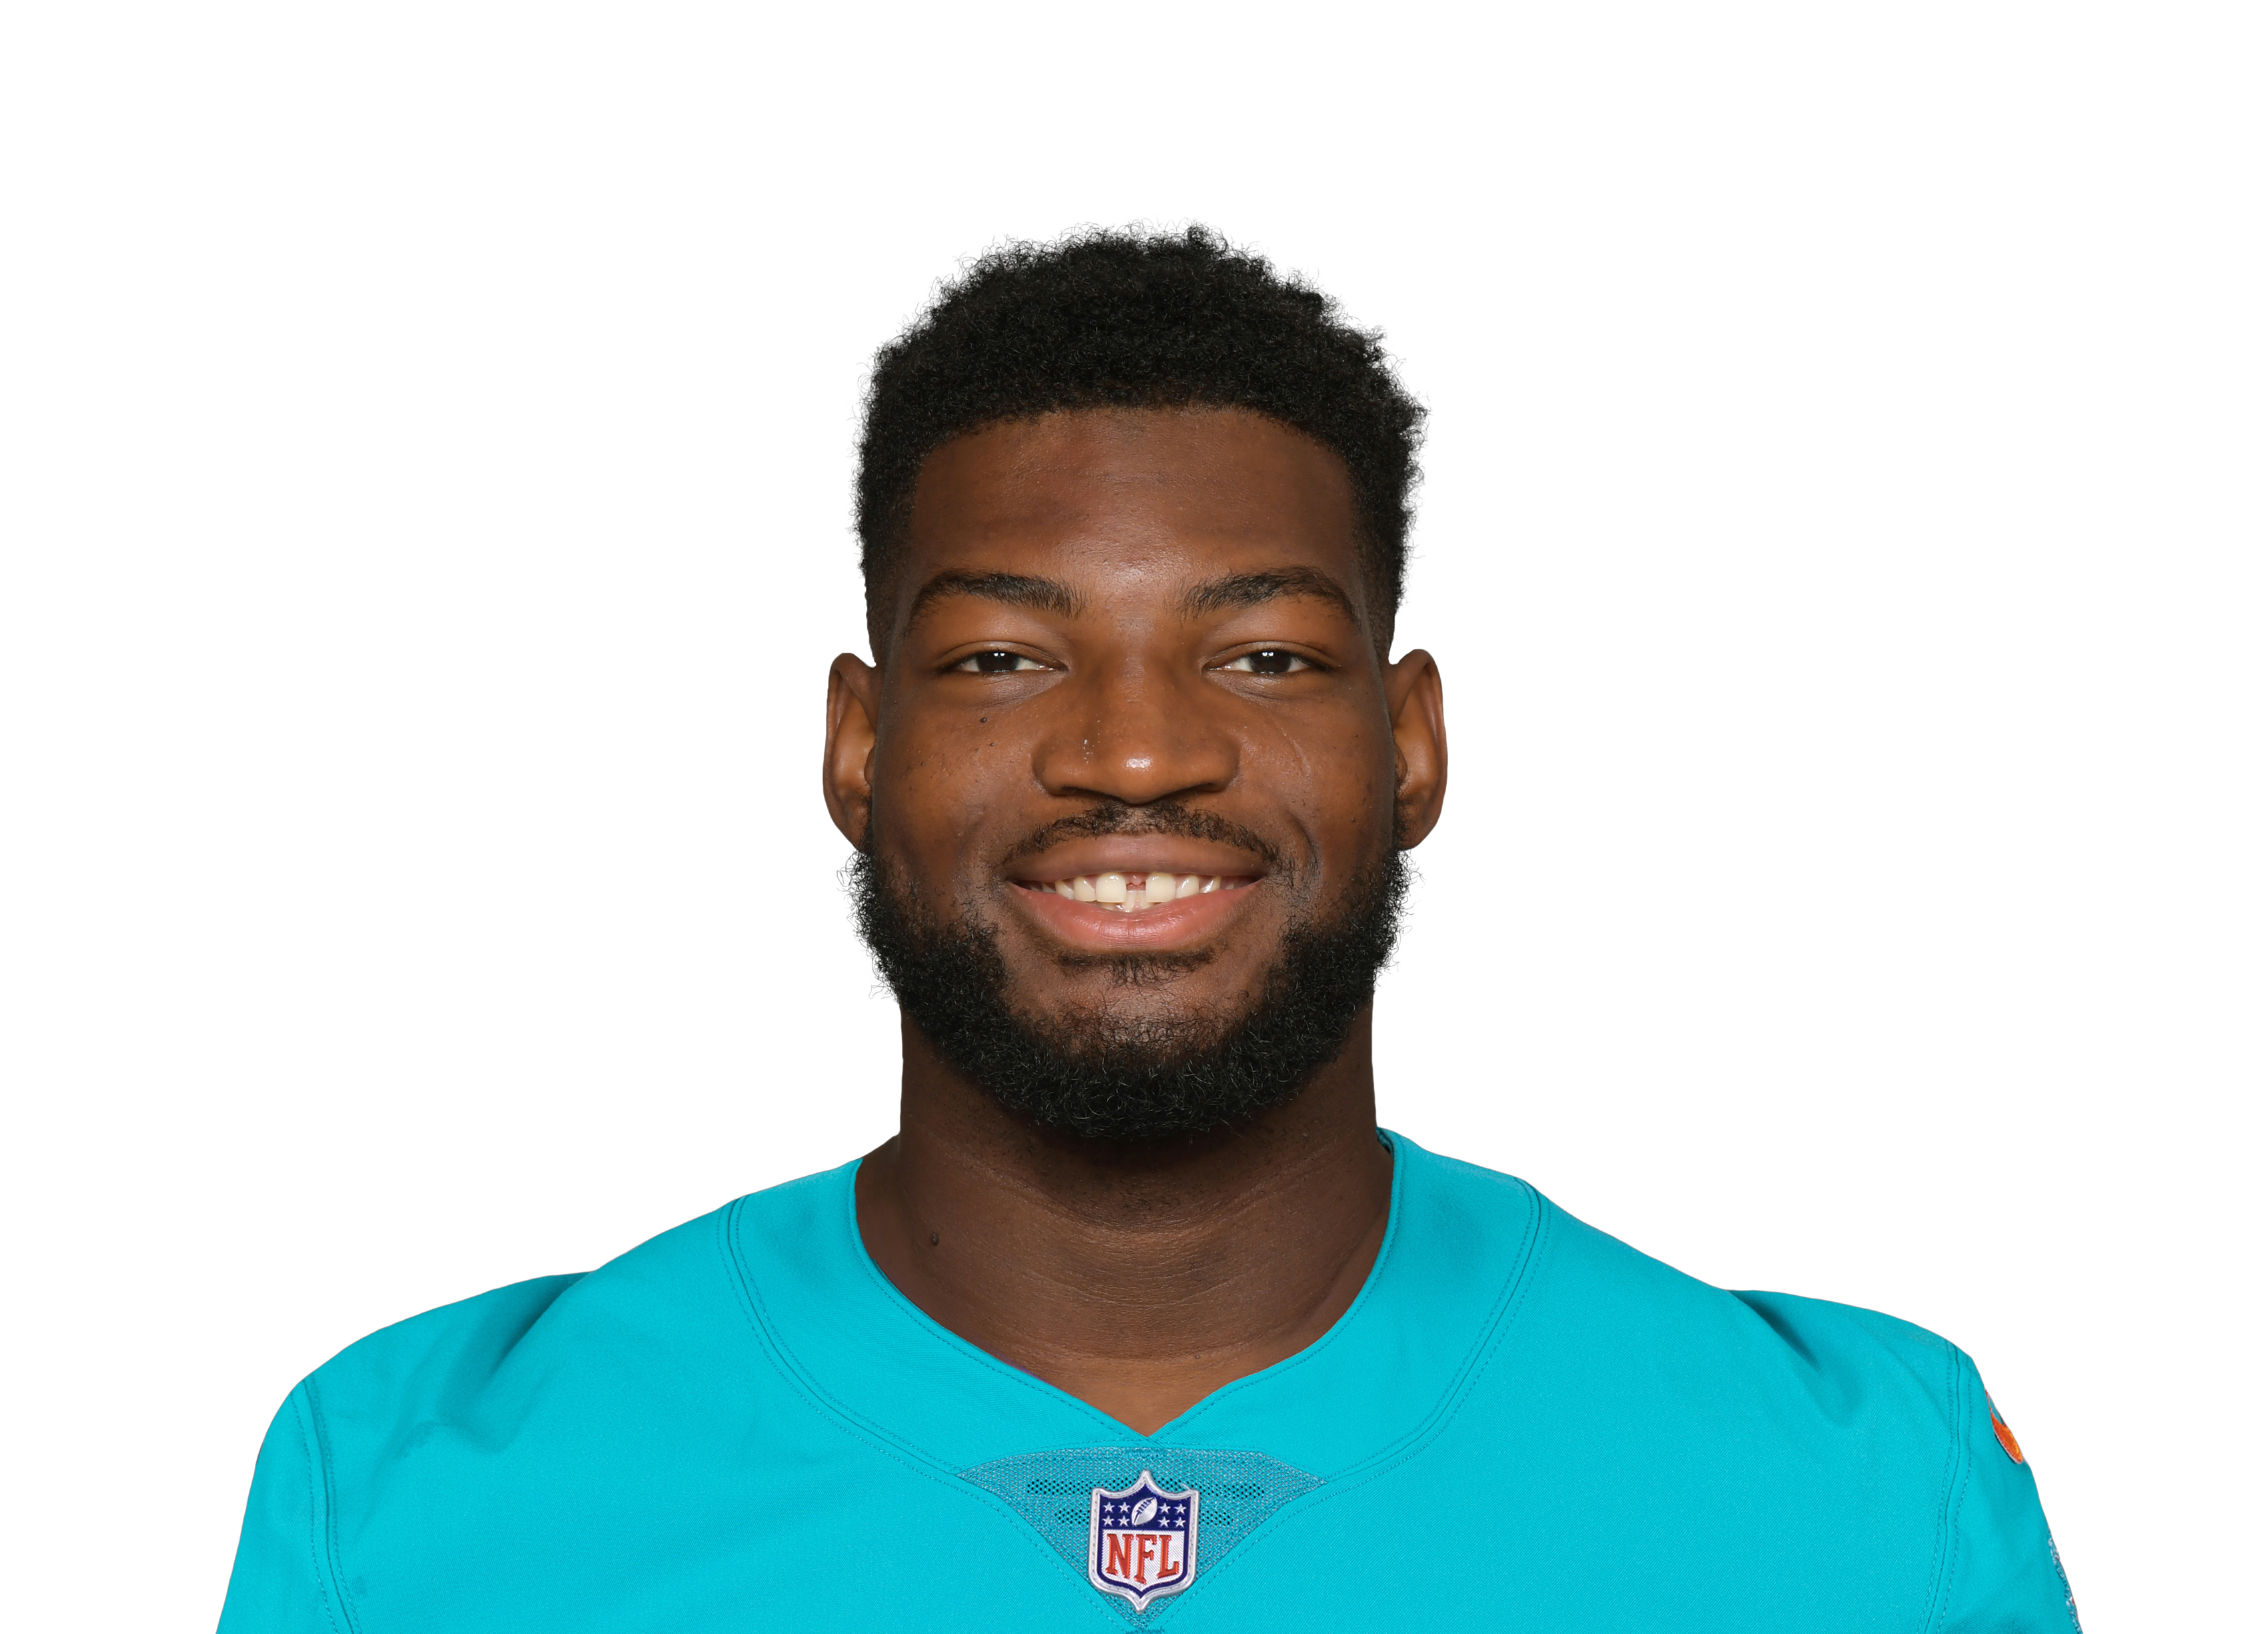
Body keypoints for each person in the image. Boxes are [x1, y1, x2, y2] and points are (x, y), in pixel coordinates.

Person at [221, 229, 2077, 1631]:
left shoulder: (1870, 1480)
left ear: (1412, 745)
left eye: (1261, 655)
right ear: (858, 749)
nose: (1133, 754)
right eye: (1001, 657)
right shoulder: (395, 1490)